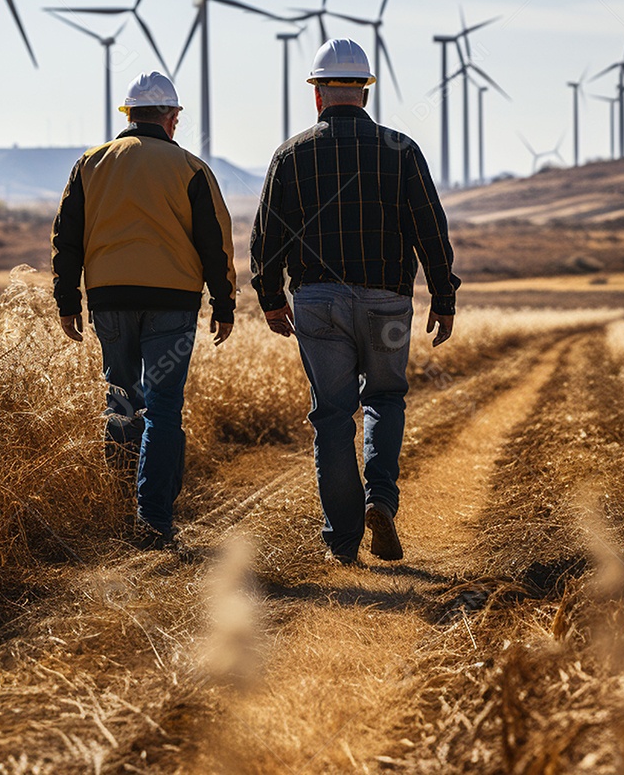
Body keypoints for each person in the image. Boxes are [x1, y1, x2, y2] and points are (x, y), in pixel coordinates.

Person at [250, 38, 459, 565]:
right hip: (387, 299)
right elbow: (429, 227)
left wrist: (271, 296)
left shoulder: (290, 154)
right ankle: (381, 500)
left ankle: (342, 543)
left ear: (317, 93)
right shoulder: (402, 150)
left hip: (317, 303)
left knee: (332, 416)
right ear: (365, 91)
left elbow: (267, 235)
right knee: (385, 400)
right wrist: (443, 293)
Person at [52, 71, 237, 549]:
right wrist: (224, 300)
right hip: (172, 303)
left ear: (128, 115)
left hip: (110, 300)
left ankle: (117, 509)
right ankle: (152, 517)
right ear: (172, 117)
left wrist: (67, 300)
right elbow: (214, 241)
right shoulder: (191, 168)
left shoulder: (89, 164)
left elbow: (66, 238)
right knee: (163, 409)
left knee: (121, 400)